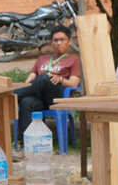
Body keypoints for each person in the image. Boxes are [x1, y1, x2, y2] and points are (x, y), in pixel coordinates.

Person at [14, 25, 81, 154]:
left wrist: (60, 79)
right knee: (26, 102)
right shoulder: (42, 59)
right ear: (51, 42)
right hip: (39, 97)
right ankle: (25, 147)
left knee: (46, 78)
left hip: (57, 97)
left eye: (62, 39)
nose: (58, 43)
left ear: (69, 42)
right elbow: (29, 81)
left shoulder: (73, 60)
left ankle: (10, 97)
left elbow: (74, 83)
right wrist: (31, 86)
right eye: (55, 40)